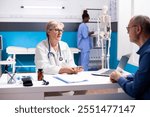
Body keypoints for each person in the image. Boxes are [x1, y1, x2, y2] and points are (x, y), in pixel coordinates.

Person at [110, 15, 150, 99]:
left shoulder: (148, 54)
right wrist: (127, 76)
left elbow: (134, 90)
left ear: (138, 29)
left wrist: (119, 78)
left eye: (128, 29)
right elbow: (145, 76)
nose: (127, 32)